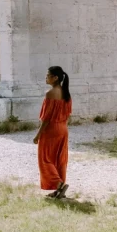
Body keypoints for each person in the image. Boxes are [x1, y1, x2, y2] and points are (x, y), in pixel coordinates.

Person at [34, 65, 72, 199]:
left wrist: (38, 135)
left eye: (48, 75)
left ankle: (58, 183)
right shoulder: (66, 93)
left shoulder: (50, 94)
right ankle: (58, 190)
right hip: (63, 128)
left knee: (45, 158)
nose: (46, 78)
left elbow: (46, 118)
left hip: (52, 129)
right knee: (59, 160)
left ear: (55, 78)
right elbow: (67, 114)